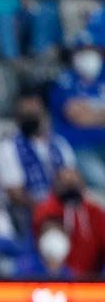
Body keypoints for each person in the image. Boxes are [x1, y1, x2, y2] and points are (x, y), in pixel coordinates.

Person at [0, 86, 75, 206]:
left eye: (33, 112)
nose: (30, 115)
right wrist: (45, 209)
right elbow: (15, 192)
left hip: (63, 205)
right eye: (26, 113)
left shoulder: (59, 143)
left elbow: (73, 178)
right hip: (32, 210)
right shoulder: (9, 147)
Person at [48, 34, 105, 190]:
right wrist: (100, 113)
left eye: (93, 50)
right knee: (101, 182)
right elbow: (77, 116)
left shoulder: (102, 78)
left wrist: (89, 111)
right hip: (79, 148)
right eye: (83, 50)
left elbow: (84, 114)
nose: (89, 55)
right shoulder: (65, 81)